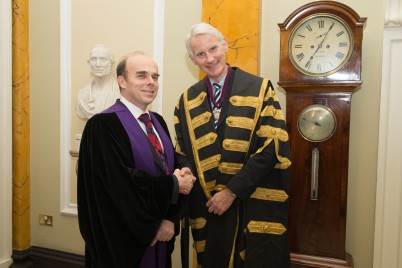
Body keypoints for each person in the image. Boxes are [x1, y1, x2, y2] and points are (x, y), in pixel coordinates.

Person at [174, 22, 292, 267]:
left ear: (225, 45)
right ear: (192, 59)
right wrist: (184, 170)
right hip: (210, 208)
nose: (209, 58)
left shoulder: (260, 89)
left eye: (213, 48)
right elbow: (182, 150)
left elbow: (272, 147)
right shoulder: (187, 101)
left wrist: (232, 191)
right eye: (200, 54)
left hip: (249, 203)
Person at [77, 51, 195, 268]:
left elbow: (166, 161)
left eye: (155, 77)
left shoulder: (157, 121)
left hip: (162, 233)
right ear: (122, 81)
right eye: (141, 76)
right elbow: (118, 186)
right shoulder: (102, 125)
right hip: (125, 242)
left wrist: (170, 216)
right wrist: (174, 186)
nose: (151, 82)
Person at [76, 44, 121, 119]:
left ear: (110, 63)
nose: (97, 64)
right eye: (93, 59)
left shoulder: (119, 91)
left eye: (103, 59)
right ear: (89, 62)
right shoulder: (82, 95)